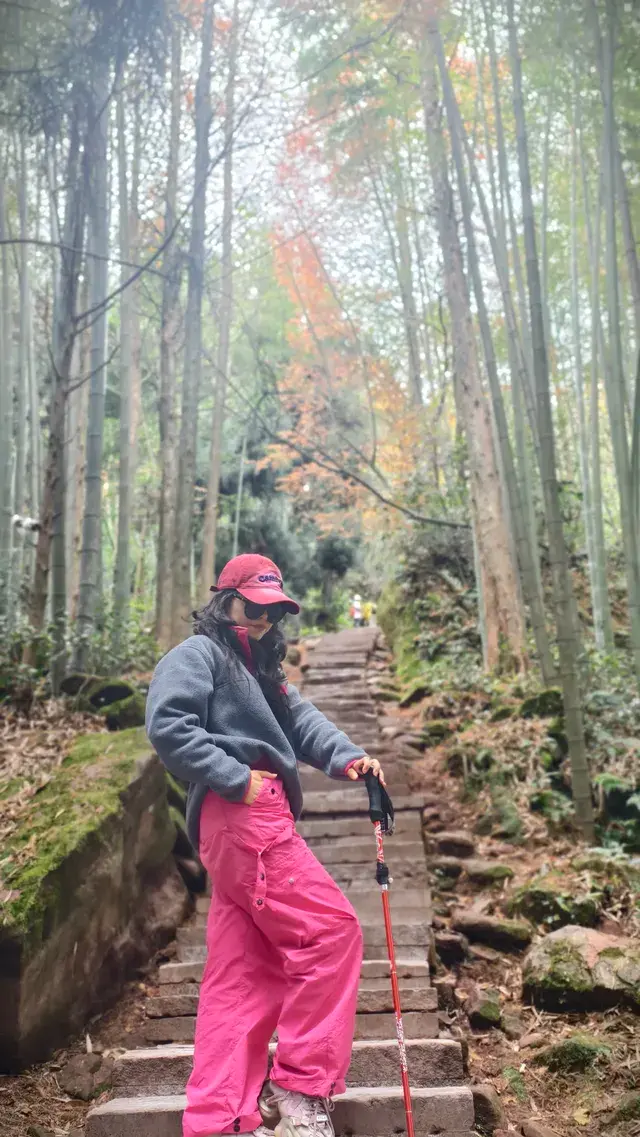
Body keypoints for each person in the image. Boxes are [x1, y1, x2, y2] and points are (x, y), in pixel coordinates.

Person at [146, 554, 385, 1137]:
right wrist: (235, 776)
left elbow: (302, 724)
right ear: (224, 601)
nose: (261, 619)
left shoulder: (265, 673)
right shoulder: (200, 654)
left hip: (241, 827)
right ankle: (303, 1091)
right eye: (252, 606)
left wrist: (350, 758)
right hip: (246, 816)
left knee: (241, 977)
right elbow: (168, 725)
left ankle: (218, 1119)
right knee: (331, 934)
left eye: (273, 611)